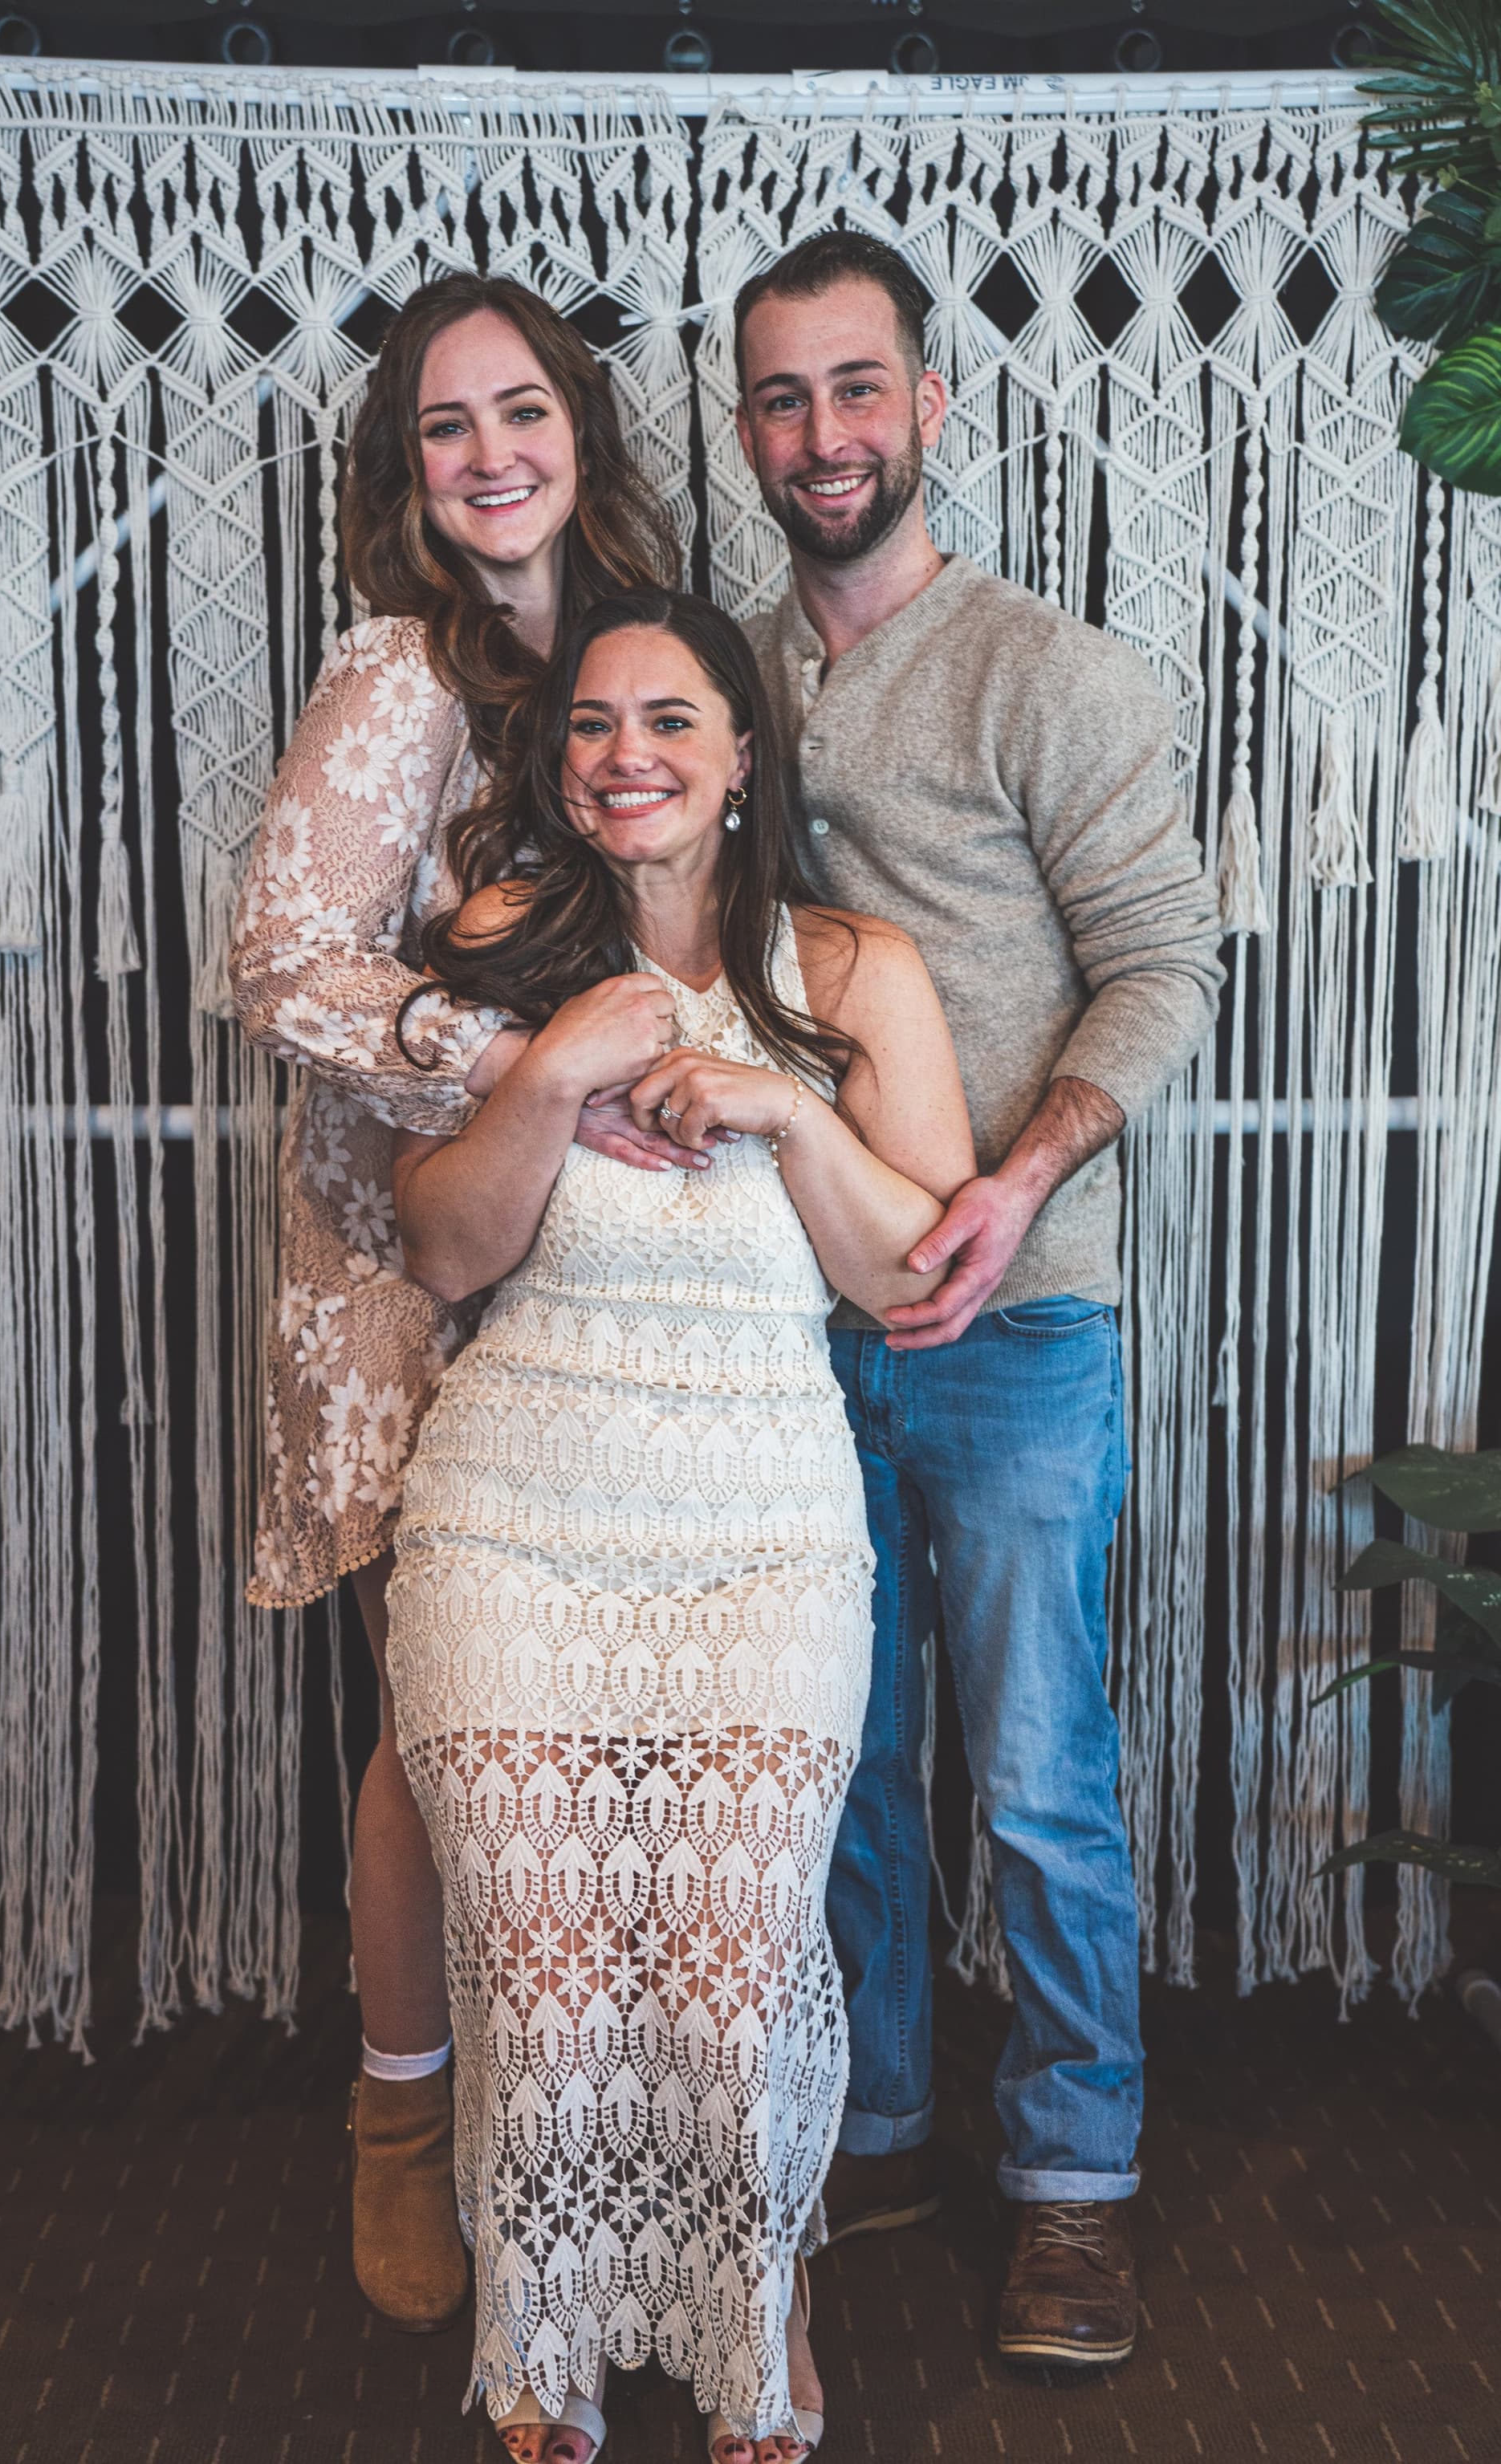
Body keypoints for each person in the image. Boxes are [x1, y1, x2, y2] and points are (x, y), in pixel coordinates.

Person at [384, 588, 975, 2464]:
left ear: (739, 757)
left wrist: (784, 1115)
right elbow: (444, 1244)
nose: (622, 751)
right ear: (557, 769)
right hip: (515, 1513)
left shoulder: (851, 968)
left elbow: (916, 1276)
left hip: (759, 1526)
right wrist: (553, 1070)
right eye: (588, 725)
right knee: (545, 1959)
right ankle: (537, 2329)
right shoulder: (498, 943)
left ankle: (761, 2303)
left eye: (667, 720)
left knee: (728, 1965)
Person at [731, 230, 1225, 2369]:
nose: (822, 433)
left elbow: (1164, 969)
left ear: (932, 408)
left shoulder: (1056, 673)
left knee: (1034, 1767)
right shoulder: (728, 673)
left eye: (858, 389)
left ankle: (1078, 2182)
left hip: (1019, 1310)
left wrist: (1020, 1184)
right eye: (780, 399)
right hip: (794, 1304)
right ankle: (886, 2124)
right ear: (746, 430)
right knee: (842, 1752)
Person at [230, 273, 686, 2336]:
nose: (491, 451)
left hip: (606, 1267)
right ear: (404, 472)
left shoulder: (617, 656)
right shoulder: (400, 672)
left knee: (589, 1722)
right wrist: (505, 1064)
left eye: (522, 409)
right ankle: (399, 2122)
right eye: (445, 425)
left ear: (583, 430)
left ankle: (568, 2116)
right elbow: (280, 955)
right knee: (439, 1718)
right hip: (416, 1268)